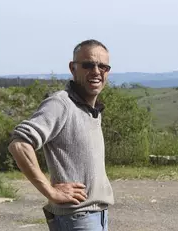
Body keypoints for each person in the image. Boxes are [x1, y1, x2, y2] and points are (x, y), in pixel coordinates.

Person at [8, 39, 114, 231]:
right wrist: (50, 191)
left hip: (95, 216)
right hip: (78, 218)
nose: (96, 71)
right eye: (88, 65)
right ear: (73, 68)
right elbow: (20, 144)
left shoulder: (90, 109)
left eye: (103, 66)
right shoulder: (61, 104)